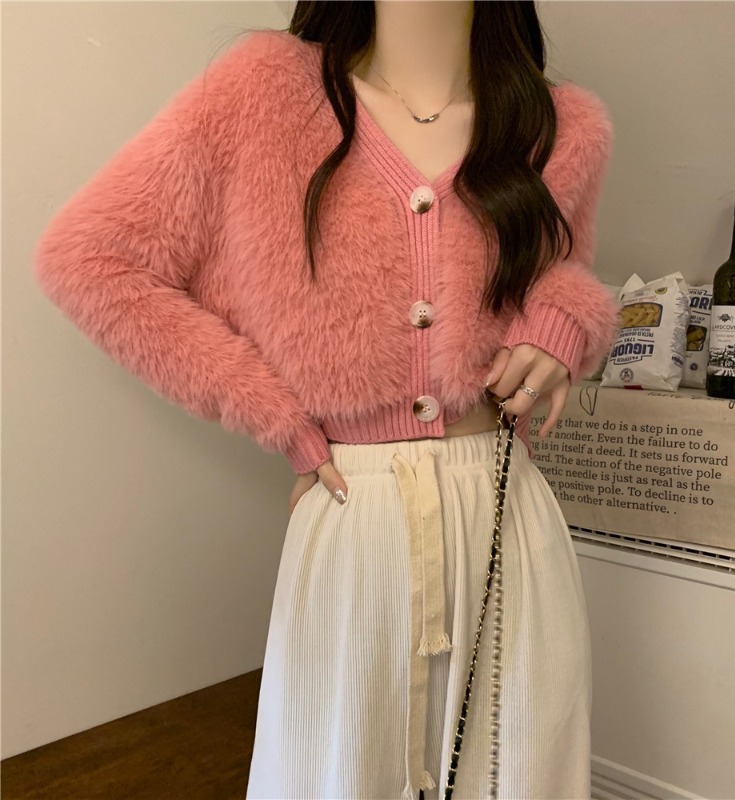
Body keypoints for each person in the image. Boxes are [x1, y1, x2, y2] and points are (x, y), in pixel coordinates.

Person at [33, 1, 619, 798]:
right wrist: (273, 414)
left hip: (504, 512)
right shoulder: (264, 91)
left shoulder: (560, 126)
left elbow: (563, 276)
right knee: (338, 772)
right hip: (354, 513)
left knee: (512, 772)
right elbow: (89, 258)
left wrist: (565, 321)